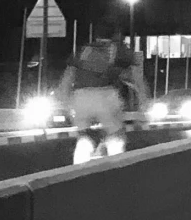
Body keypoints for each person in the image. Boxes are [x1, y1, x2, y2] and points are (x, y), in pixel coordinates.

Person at [56, 21, 147, 160]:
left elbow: (67, 78)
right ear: (116, 34)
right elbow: (137, 79)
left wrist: (65, 101)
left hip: (80, 97)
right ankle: (115, 166)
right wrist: (144, 102)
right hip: (105, 95)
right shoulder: (119, 50)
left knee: (84, 136)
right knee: (116, 135)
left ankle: (80, 167)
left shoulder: (83, 50)